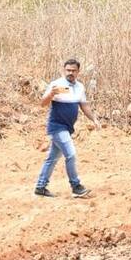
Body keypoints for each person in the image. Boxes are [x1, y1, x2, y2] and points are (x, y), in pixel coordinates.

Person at [34, 58, 101, 198]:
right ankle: (76, 186)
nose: (70, 73)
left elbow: (84, 105)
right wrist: (51, 94)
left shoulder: (80, 87)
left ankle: (40, 187)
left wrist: (94, 119)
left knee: (52, 158)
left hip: (68, 128)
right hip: (57, 127)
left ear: (78, 72)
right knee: (70, 154)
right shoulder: (57, 85)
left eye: (73, 70)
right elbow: (43, 103)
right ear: (64, 70)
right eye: (68, 70)